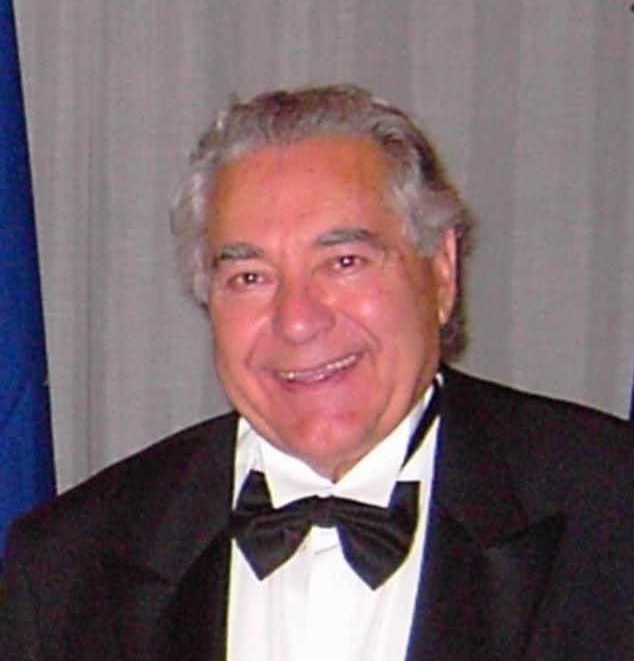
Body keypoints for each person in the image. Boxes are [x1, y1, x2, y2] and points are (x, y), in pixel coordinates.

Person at [2, 85, 633, 661]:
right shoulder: (68, 567)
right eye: (250, 277)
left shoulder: (612, 514)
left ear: (441, 272)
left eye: (345, 261)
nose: (298, 321)